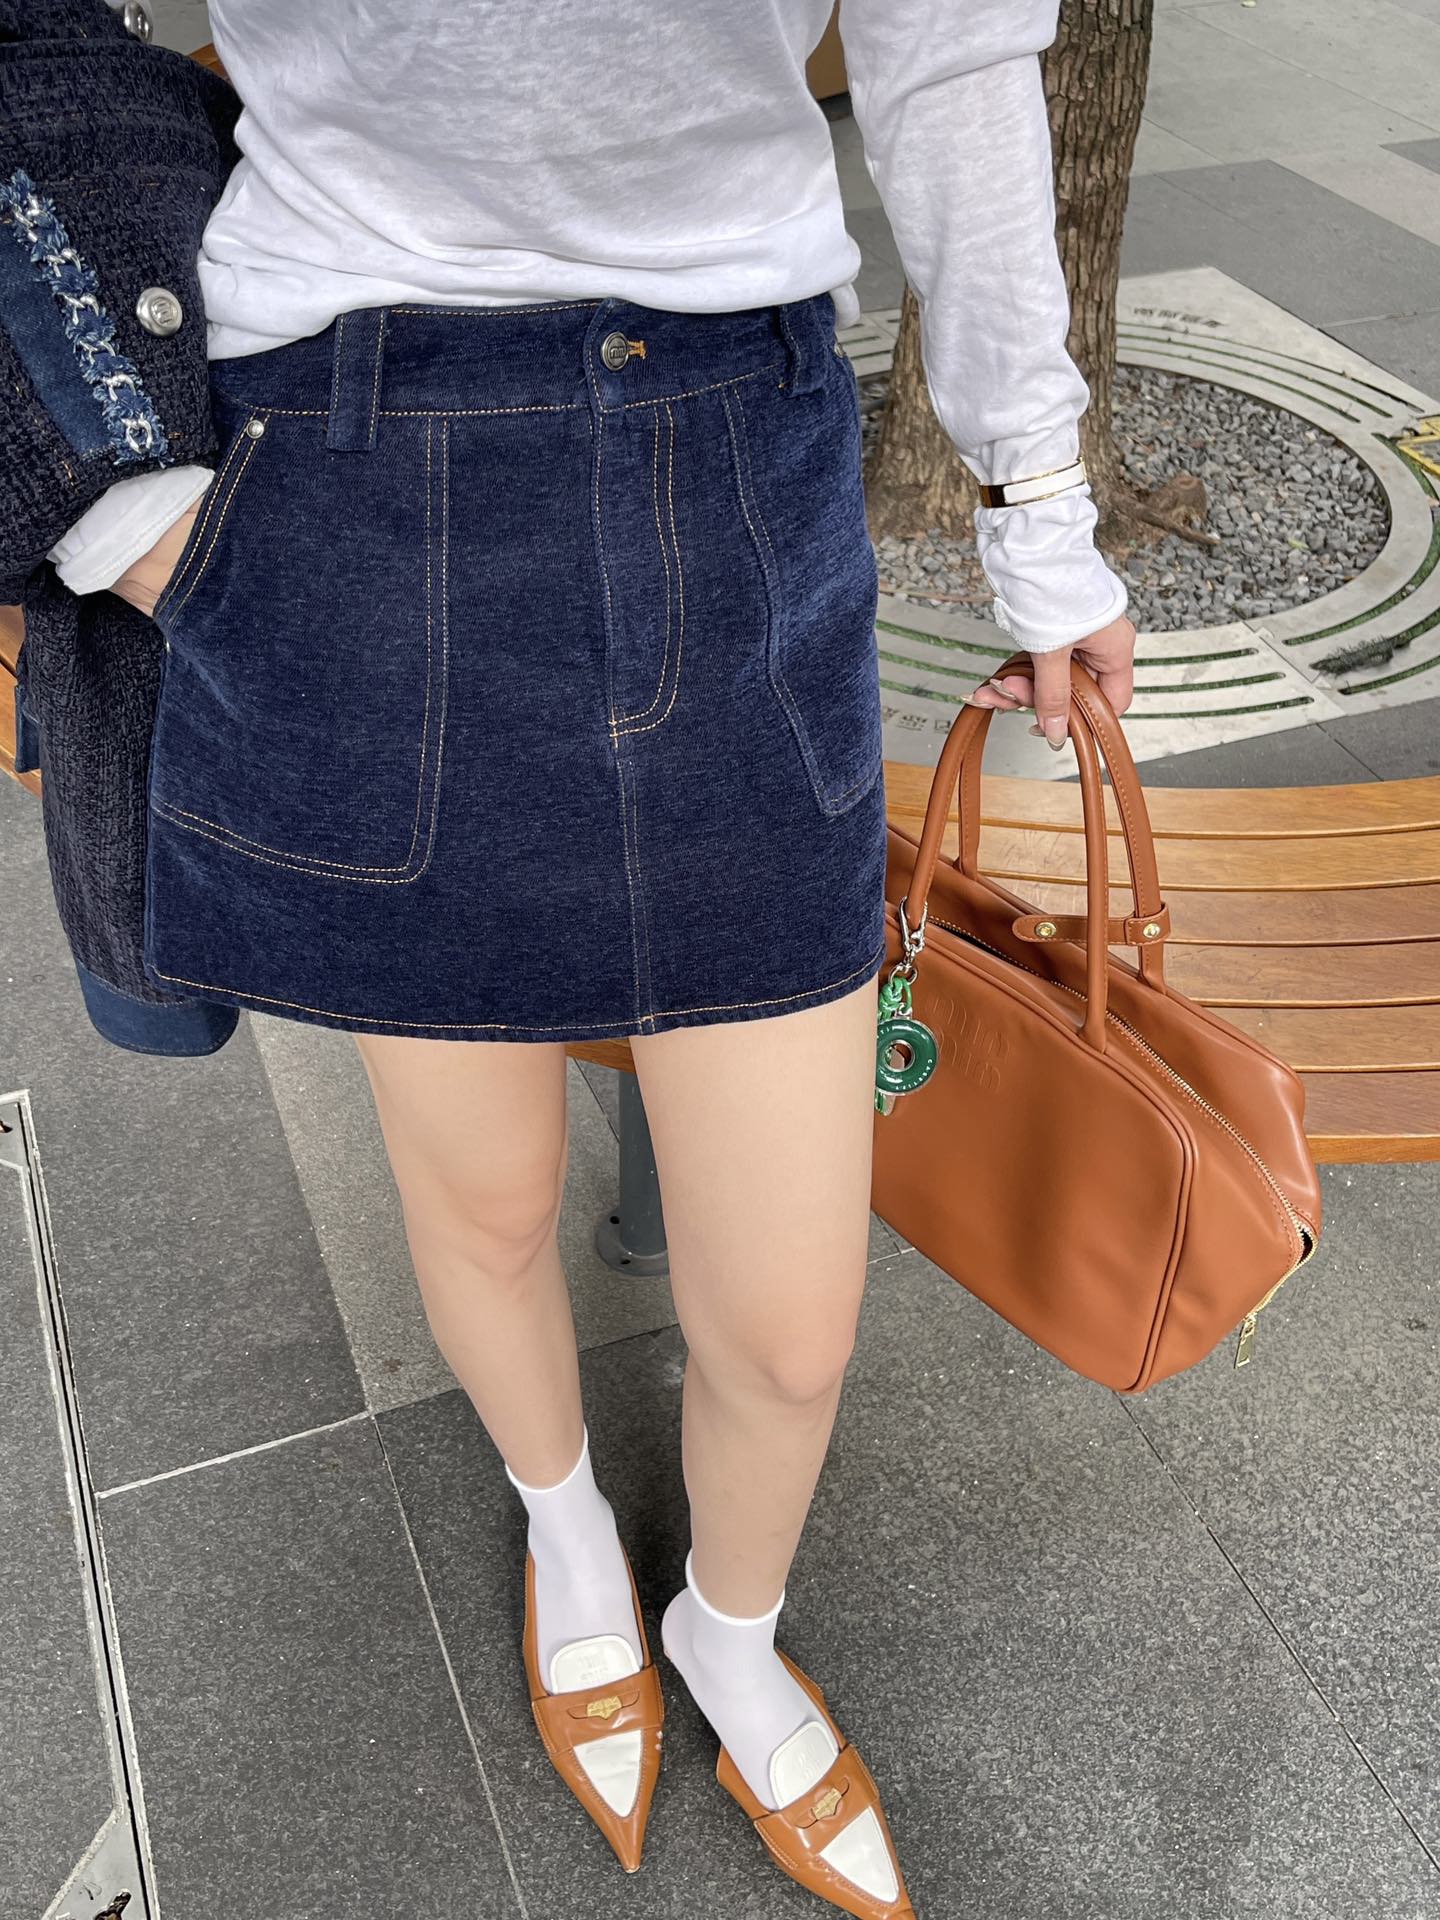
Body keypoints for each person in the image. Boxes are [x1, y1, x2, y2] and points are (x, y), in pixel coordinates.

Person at [9, 2, 1136, 1912]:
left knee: (791, 1318)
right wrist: (116, 512)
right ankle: (568, 1534)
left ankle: (729, 1626)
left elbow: (948, 48)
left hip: (737, 463)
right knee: (488, 1199)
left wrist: (1039, 504)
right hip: (355, 470)